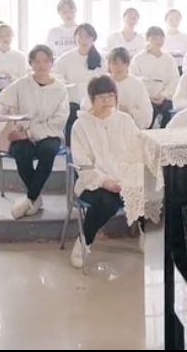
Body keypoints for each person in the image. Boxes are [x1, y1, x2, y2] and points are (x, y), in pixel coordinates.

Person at [0, 44, 68, 219]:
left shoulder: (60, 89)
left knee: (48, 150)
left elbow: (59, 121)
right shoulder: (22, 84)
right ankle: (35, 198)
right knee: (21, 151)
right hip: (21, 130)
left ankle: (30, 198)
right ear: (31, 63)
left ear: (51, 63)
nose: (41, 65)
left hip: (48, 133)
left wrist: (29, 134)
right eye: (37, 61)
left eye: (45, 61)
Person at [70, 75, 142, 269]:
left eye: (111, 96)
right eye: (102, 97)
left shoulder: (125, 120)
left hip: (125, 179)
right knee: (107, 202)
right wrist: (104, 181)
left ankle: (145, 231)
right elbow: (82, 164)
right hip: (93, 183)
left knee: (151, 192)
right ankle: (84, 241)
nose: (107, 101)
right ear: (92, 99)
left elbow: (138, 152)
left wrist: (130, 178)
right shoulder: (81, 125)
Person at [53, 23, 106, 145]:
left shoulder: (100, 58)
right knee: (72, 114)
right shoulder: (65, 58)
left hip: (94, 101)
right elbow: (56, 77)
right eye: (80, 36)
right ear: (75, 38)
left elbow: (103, 81)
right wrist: (68, 85)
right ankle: (71, 148)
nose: (83, 40)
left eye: (87, 36)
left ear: (93, 38)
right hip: (73, 100)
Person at [82, 47, 152, 130]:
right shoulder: (100, 82)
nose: (119, 67)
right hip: (102, 127)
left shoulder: (137, 84)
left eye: (123, 63)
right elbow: (86, 107)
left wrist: (129, 112)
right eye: (115, 63)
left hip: (129, 128)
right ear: (109, 64)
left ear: (128, 65)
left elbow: (146, 113)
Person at [130, 26, 180, 128]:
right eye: (154, 38)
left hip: (164, 97)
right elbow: (133, 79)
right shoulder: (138, 58)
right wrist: (147, 95)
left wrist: (163, 95)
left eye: (161, 38)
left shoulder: (169, 59)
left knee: (167, 111)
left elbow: (174, 80)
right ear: (147, 39)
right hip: (144, 97)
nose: (158, 41)